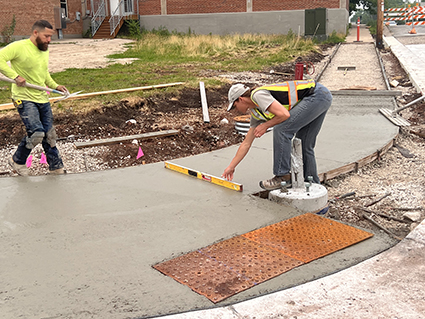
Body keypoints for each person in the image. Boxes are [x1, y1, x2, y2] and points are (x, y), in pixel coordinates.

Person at [221, 79, 332, 190]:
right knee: (304, 143)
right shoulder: (256, 112)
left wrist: (265, 126)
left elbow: (284, 115)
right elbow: (246, 143)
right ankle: (313, 183)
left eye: (235, 106)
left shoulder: (258, 95)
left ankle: (282, 176)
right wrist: (231, 167)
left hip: (316, 95)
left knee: (282, 130)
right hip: (321, 96)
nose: (235, 111)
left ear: (241, 99)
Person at [0, 20, 68, 176]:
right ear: (35, 33)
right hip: (24, 97)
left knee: (49, 134)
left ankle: (55, 166)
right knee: (37, 133)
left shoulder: (44, 50)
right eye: (46, 36)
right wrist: (15, 76)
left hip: (41, 96)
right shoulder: (19, 47)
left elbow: (43, 73)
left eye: (51, 37)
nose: (49, 40)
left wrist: (54, 85)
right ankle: (17, 161)